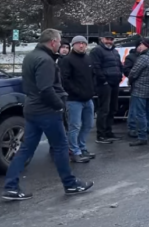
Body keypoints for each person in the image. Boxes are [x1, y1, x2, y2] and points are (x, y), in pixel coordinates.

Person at [2, 29, 93, 201]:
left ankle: (11, 187)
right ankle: (70, 184)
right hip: (46, 110)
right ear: (53, 42)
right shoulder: (45, 60)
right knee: (60, 147)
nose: (60, 45)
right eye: (59, 42)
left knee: (26, 148)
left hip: (32, 108)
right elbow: (46, 89)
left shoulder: (31, 56)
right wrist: (59, 106)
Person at [59, 35, 96, 163]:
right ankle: (74, 151)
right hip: (74, 99)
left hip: (88, 99)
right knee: (74, 126)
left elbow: (92, 76)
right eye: (78, 43)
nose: (81, 45)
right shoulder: (67, 60)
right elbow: (65, 80)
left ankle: (82, 147)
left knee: (88, 124)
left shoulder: (88, 58)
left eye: (84, 43)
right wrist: (77, 92)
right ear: (73, 45)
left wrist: (92, 90)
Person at [90, 32, 123, 144]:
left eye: (111, 39)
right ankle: (101, 134)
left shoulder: (114, 51)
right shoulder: (97, 51)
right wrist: (103, 80)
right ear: (101, 39)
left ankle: (108, 132)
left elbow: (119, 65)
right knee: (104, 109)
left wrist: (120, 76)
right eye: (107, 39)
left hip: (115, 82)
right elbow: (95, 66)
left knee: (113, 108)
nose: (109, 41)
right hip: (104, 83)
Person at [128, 38, 149, 146]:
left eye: (141, 45)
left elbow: (133, 73)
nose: (139, 47)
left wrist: (130, 81)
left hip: (140, 89)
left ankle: (142, 136)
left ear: (146, 46)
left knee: (140, 114)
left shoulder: (144, 58)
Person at [123, 47, 140, 138]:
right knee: (134, 108)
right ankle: (132, 128)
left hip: (148, 86)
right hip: (136, 85)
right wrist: (135, 76)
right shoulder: (131, 57)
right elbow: (127, 71)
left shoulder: (147, 56)